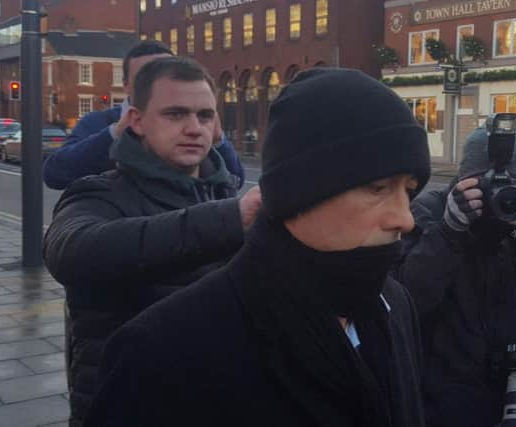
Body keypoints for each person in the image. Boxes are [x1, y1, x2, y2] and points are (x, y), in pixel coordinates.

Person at [83, 68, 431, 427]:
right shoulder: (161, 351)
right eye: (377, 188)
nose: (404, 219)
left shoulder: (395, 305)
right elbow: (79, 248)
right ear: (299, 194)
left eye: (409, 189)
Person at [43, 57, 262, 427]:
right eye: (176, 115)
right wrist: (231, 219)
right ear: (137, 121)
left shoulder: (220, 192)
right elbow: (72, 250)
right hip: (131, 404)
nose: (194, 128)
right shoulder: (99, 193)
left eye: (205, 116)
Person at [392, 124, 516, 427]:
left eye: (511, 182)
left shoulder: (515, 218)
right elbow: (404, 302)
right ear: (465, 175)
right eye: (485, 181)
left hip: (502, 400)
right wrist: (449, 233)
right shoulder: (428, 213)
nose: (498, 191)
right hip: (434, 402)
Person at [42, 40, 244, 190]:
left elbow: (234, 182)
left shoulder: (197, 125)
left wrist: (218, 142)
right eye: (148, 75)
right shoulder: (98, 123)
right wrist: (115, 133)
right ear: (127, 85)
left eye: (169, 72)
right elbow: (55, 174)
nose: (192, 127)